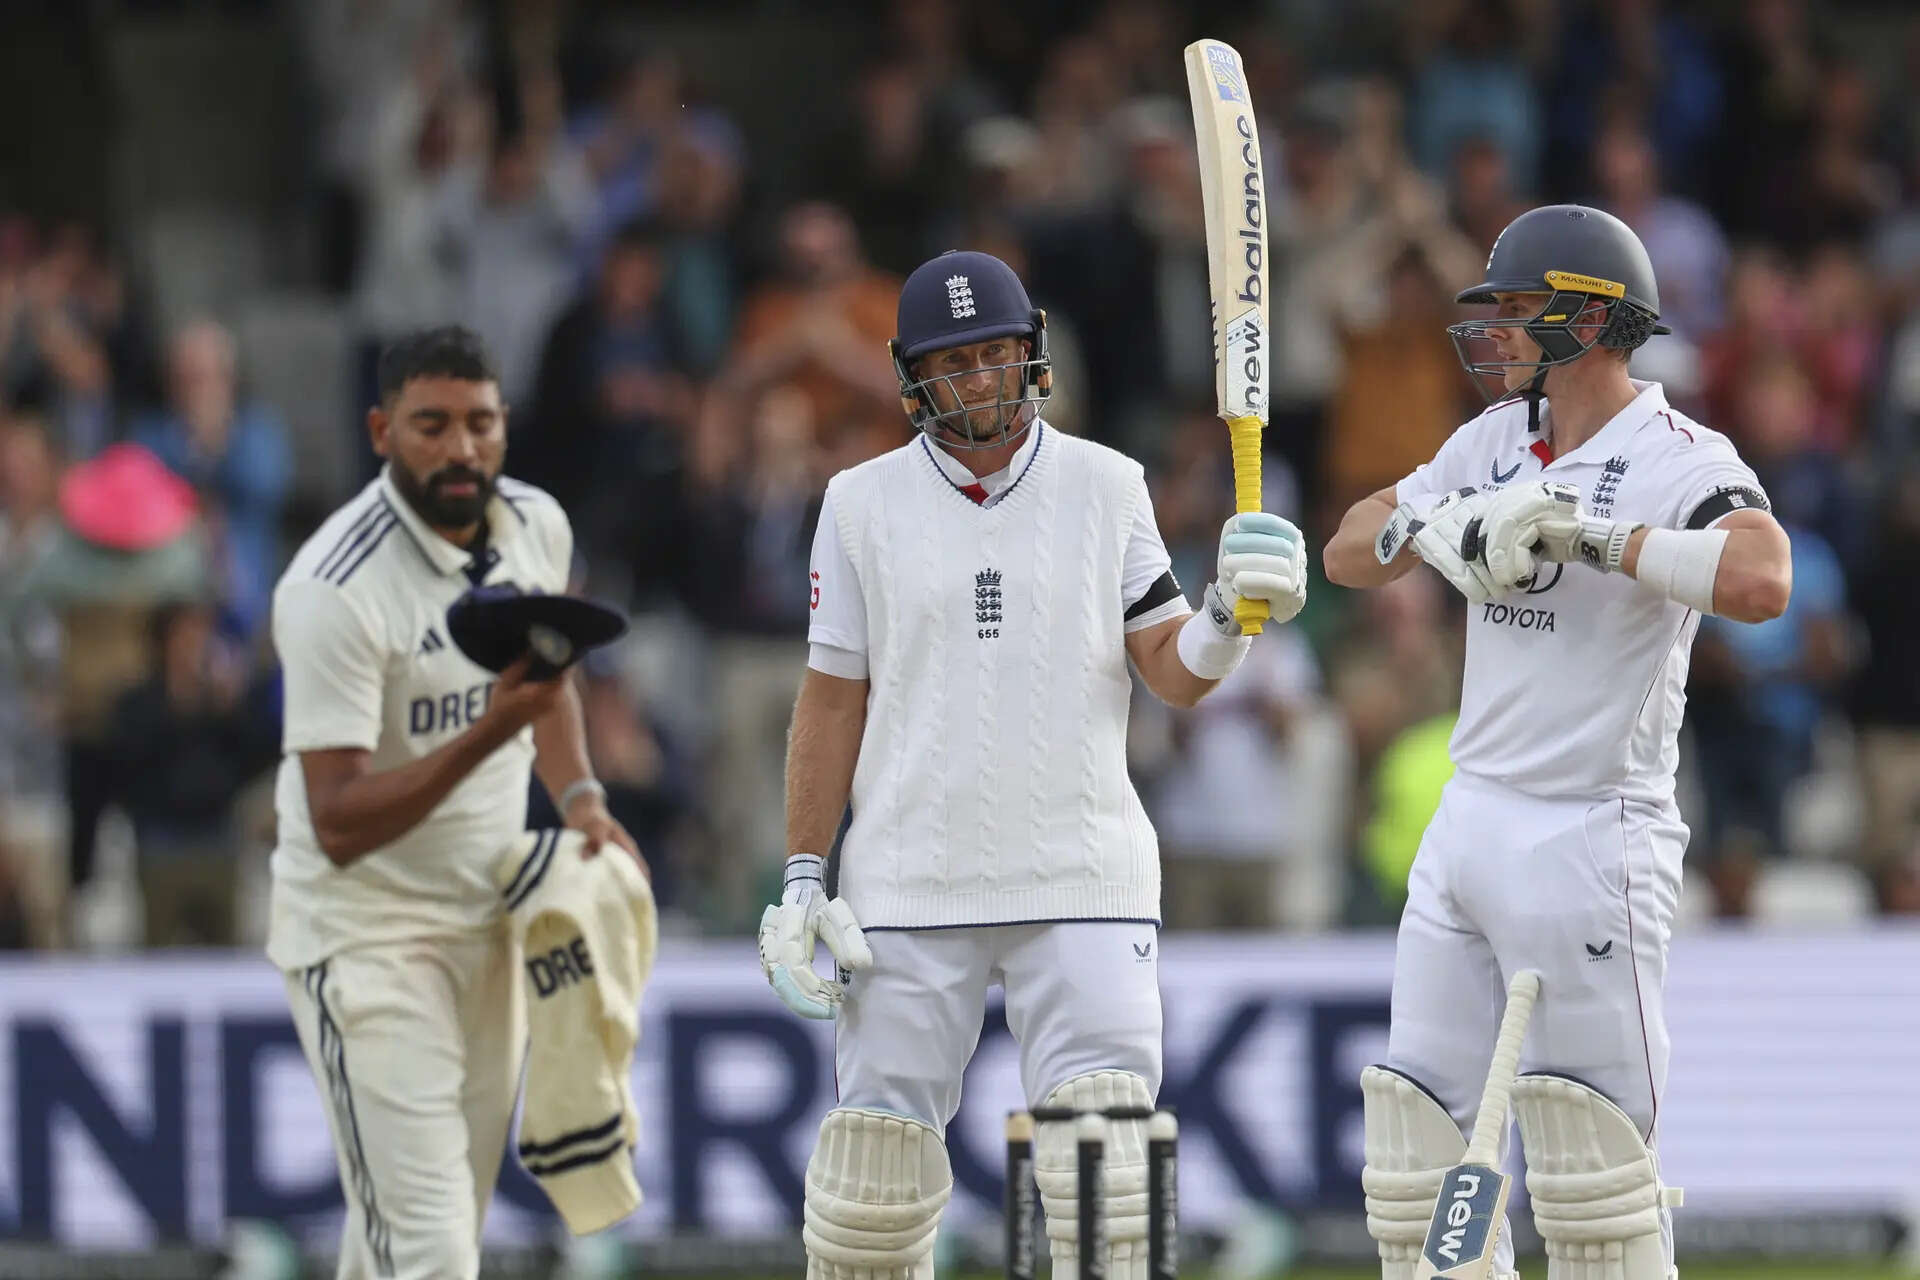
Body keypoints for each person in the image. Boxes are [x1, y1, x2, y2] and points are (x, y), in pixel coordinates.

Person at [757, 250, 1309, 1280]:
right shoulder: (857, 502)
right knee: (871, 1198)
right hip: (907, 881)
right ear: (912, 375)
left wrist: (1230, 616)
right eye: (953, 361)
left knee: (1110, 1193)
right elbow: (833, 696)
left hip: (1082, 872)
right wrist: (801, 871)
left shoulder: (1108, 484)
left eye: (995, 354)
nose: (979, 380)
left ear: (1032, 355)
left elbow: (1171, 670)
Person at [1323, 205, 1792, 1280]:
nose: (1496, 330)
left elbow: (1764, 578)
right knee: (1417, 1152)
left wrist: (1594, 538)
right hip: (1469, 817)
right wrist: (1420, 525)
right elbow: (1347, 551)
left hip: (1593, 833)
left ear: (1589, 318)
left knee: (1595, 1181)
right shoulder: (1487, 438)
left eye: (1519, 308)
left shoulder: (1680, 452)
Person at [266, 326, 644, 1279]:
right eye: (431, 425)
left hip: (489, 918)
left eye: (481, 423)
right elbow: (337, 821)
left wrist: (583, 798)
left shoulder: (538, 525)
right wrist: (485, 734)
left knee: (408, 1239)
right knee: (431, 1252)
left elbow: (547, 675)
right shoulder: (333, 586)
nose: (462, 448)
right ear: (381, 430)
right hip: (365, 938)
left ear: (505, 426)